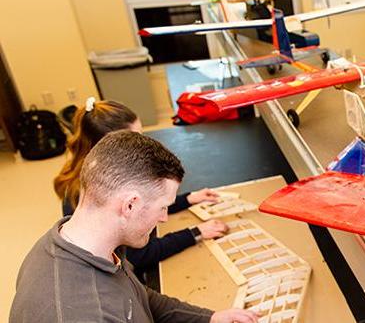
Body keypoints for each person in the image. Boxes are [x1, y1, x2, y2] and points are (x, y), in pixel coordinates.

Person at [11, 131, 258, 322]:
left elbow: (138, 298)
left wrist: (210, 318)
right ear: (130, 205)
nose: (164, 218)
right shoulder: (85, 314)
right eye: (163, 207)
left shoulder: (82, 243)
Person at [53, 99, 228, 282]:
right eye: (134, 138)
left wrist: (189, 199)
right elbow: (139, 255)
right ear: (110, 144)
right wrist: (194, 233)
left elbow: (148, 202)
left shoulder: (103, 170)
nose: (143, 144)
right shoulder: (101, 191)